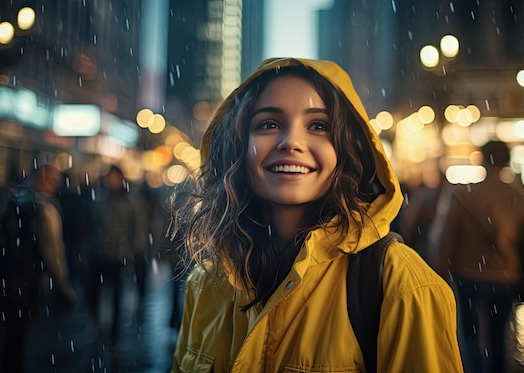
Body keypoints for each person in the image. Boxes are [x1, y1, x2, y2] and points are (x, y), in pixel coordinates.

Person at [168, 58, 463, 372]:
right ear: (238, 146)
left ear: (349, 149)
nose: (291, 142)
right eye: (268, 123)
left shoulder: (403, 285)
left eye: (319, 126)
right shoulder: (205, 284)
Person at [434, 140, 524, 373]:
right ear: (506, 161)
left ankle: (474, 368)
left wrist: (440, 270)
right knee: (499, 334)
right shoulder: (520, 198)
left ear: (482, 159)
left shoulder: (463, 195)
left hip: (468, 274)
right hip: (505, 275)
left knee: (470, 333)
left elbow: (448, 239)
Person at [0, 163, 76, 373]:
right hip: (23, 288)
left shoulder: (4, 197)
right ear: (44, 181)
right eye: (52, 181)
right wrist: (62, 287)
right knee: (15, 343)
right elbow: (53, 254)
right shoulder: (45, 209)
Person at [83, 165, 147, 350]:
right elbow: (90, 228)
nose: (112, 182)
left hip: (119, 256)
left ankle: (114, 333)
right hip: (99, 254)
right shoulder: (99, 201)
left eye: (115, 178)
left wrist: (136, 252)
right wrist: (86, 251)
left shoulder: (131, 203)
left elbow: (138, 230)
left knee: (117, 296)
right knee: (94, 291)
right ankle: (96, 322)